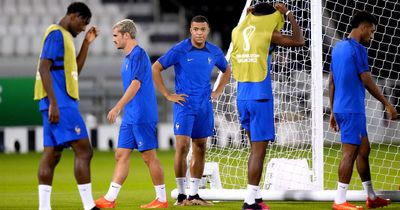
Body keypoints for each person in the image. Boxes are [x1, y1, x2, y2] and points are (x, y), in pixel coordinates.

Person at [230, 2, 304, 210]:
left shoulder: (239, 30)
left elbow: (248, 23)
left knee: (253, 149)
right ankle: (250, 201)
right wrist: (288, 13)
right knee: (258, 151)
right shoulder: (267, 32)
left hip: (242, 97)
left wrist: (248, 14)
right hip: (260, 97)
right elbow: (299, 41)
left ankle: (256, 196)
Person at [152, 15, 232, 206]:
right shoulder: (180, 49)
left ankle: (194, 194)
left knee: (201, 147)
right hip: (184, 105)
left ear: (208, 30)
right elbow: (155, 68)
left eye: (202, 29)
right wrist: (167, 94)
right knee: (181, 147)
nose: (199, 33)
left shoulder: (214, 51)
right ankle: (181, 195)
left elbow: (227, 70)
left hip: (204, 106)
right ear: (190, 30)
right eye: (195, 29)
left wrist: (217, 91)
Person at [94, 19, 167, 209]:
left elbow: (136, 85)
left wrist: (117, 107)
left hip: (142, 114)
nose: (113, 40)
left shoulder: (138, 55)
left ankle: (161, 198)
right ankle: (110, 198)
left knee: (148, 157)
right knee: (121, 154)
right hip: (131, 115)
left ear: (127, 35)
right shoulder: (127, 58)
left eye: (116, 36)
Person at [34, 2, 99, 210]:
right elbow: (44, 68)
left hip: (56, 102)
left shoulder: (66, 39)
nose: (83, 28)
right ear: (73, 15)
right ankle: (89, 206)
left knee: (52, 154)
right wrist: (54, 102)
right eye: (83, 22)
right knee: (84, 150)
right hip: (60, 103)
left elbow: (74, 73)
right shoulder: (56, 34)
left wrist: (86, 44)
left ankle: (44, 208)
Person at [329, 11, 397, 210]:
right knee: (349, 153)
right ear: (364, 27)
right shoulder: (358, 49)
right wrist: (387, 103)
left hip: (342, 108)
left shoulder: (337, 48)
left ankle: (371, 196)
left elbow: (332, 81)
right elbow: (366, 79)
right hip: (352, 109)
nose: (372, 36)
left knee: (363, 150)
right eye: (372, 31)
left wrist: (333, 111)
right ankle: (340, 200)